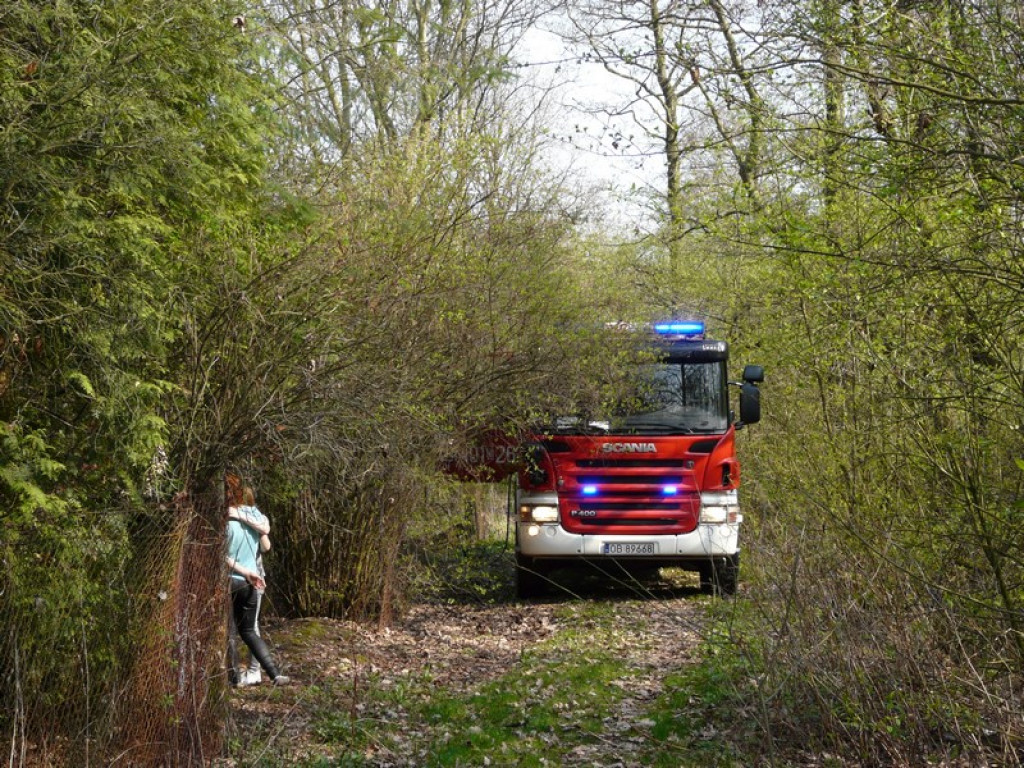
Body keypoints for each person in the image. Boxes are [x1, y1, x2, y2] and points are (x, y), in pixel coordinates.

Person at [226, 479, 289, 686]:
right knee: (250, 631)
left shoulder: (226, 520)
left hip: (231, 580)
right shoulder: (255, 517)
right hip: (253, 582)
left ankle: (233, 677)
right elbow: (266, 544)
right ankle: (274, 673)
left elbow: (221, 555)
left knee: (229, 631)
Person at [229, 486, 271, 685]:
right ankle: (251, 671)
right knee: (251, 626)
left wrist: (240, 516)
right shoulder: (257, 517)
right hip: (255, 577)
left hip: (247, 576)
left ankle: (246, 671)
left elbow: (265, 539)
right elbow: (266, 546)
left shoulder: (237, 516)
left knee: (238, 627)